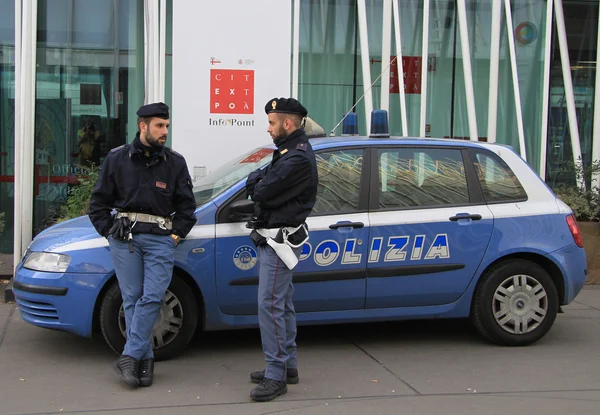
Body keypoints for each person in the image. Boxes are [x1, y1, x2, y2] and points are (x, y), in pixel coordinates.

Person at [88, 102, 196, 388]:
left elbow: (187, 208)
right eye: (159, 126)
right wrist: (109, 231)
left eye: (167, 126)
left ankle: (129, 355)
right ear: (143, 126)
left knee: (154, 297)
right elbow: (98, 204)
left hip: (161, 239)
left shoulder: (175, 162)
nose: (164, 132)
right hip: (126, 240)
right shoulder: (117, 159)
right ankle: (145, 361)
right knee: (132, 297)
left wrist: (175, 236)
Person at [245, 97, 318, 402]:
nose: (268, 129)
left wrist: (258, 182)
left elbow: (261, 190)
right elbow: (260, 184)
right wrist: (259, 181)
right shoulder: (289, 152)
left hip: (279, 242)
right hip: (277, 238)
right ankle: (287, 365)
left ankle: (277, 373)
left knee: (271, 306)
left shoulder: (296, 158)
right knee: (282, 304)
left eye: (272, 123)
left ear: (288, 123)